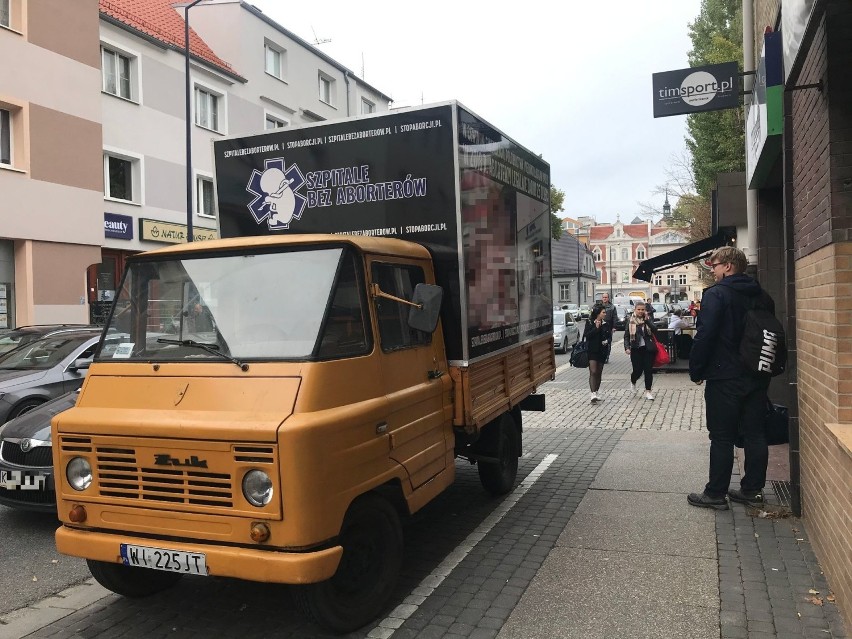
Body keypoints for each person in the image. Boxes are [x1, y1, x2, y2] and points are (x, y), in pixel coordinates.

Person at [687, 246, 772, 510]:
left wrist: (697, 370)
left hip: (724, 376)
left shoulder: (717, 295)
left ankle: (715, 494)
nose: (711, 270)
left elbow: (705, 335)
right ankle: (752, 490)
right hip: (757, 374)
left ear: (728, 265)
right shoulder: (762, 295)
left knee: (722, 437)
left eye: (714, 265)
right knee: (756, 434)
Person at [623, 301, 657, 400]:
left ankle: (648, 391)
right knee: (637, 370)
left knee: (648, 370)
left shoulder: (648, 319)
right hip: (635, 348)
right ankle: (633, 381)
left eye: (643, 309)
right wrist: (627, 347)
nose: (641, 311)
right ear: (635, 309)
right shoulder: (630, 320)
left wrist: (647, 321)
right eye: (639, 309)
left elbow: (655, 330)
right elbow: (626, 336)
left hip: (648, 348)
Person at [583, 305, 609, 404]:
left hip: (602, 350)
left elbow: (609, 335)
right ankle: (593, 393)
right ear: (598, 313)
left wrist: (607, 340)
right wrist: (596, 328)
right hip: (592, 350)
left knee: (599, 372)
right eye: (603, 312)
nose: (605, 314)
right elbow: (587, 335)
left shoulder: (605, 323)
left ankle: (596, 391)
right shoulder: (590, 322)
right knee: (593, 371)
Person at [599, 293, 616, 362]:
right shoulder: (598, 306)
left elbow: (614, 317)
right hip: (600, 327)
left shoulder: (612, 307)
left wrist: (614, 327)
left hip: (608, 327)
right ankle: (600, 356)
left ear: (608, 298)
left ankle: (606, 356)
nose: (604, 298)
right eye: (603, 297)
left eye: (606, 297)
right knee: (600, 342)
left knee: (608, 342)